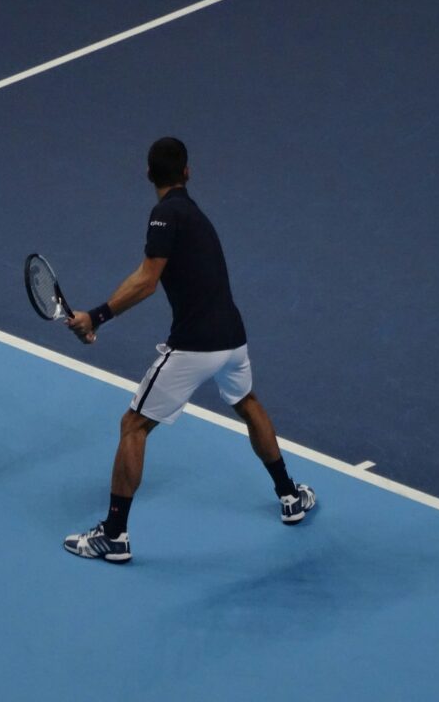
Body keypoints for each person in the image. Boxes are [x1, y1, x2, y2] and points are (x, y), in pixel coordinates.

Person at [62, 137, 315, 564]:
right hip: (233, 339)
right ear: (187, 172)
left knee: (133, 426)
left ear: (148, 175)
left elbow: (146, 279)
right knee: (247, 402)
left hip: (195, 345)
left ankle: (114, 534)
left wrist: (97, 316)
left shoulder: (164, 215)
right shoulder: (194, 213)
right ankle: (290, 495)